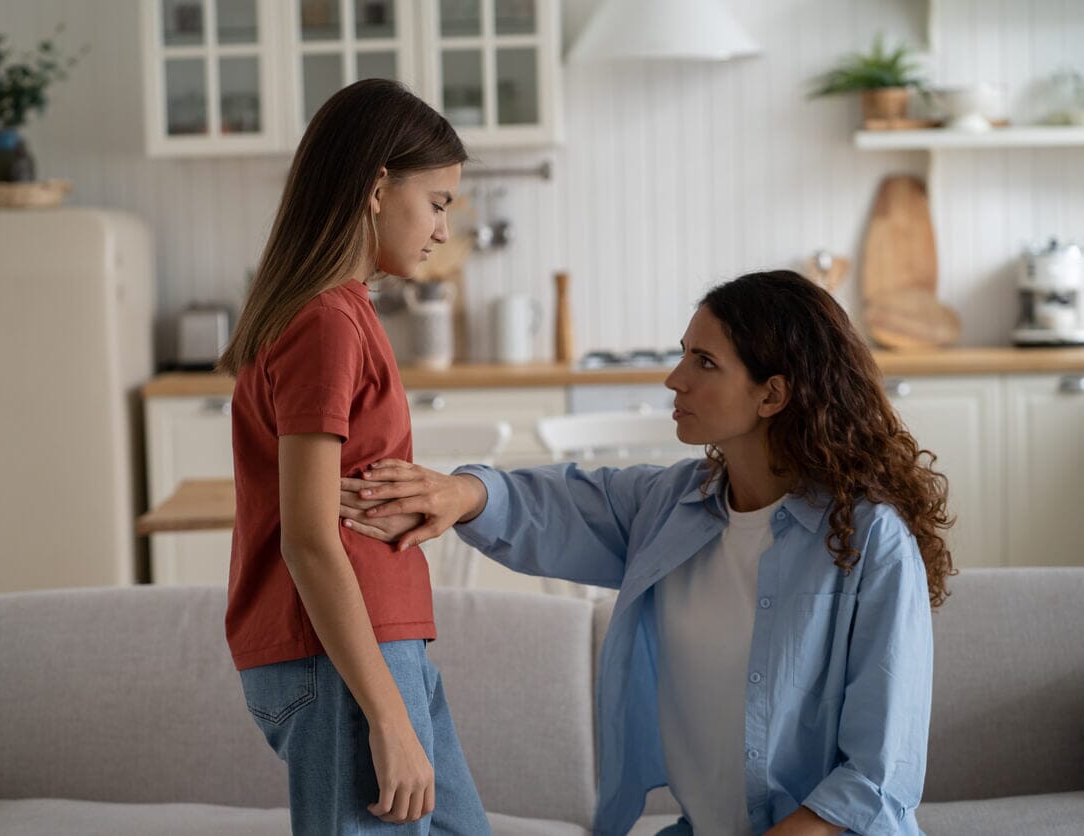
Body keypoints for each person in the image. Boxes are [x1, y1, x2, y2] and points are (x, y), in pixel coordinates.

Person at [340, 270, 953, 836]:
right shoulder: (672, 506)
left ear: (772, 396)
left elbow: (878, 772)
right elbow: (560, 501)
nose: (674, 378)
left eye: (704, 361)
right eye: (684, 353)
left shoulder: (871, 540)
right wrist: (459, 492)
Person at [216, 78, 490, 835]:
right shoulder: (326, 322)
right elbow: (306, 535)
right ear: (377, 187)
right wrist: (386, 717)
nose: (442, 229)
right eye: (437, 202)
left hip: (377, 642)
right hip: (344, 657)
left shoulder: (341, 313)